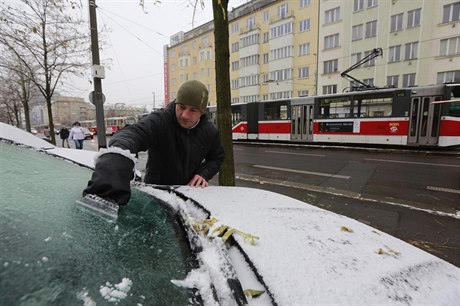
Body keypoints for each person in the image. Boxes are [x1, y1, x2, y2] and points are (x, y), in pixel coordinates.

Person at [83, 80, 225, 206]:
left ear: (202, 112)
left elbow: (216, 158)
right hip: (155, 193)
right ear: (176, 103)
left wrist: (203, 173)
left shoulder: (210, 131)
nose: (185, 115)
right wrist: (118, 155)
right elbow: (134, 134)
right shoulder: (160, 120)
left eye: (193, 110)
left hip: (188, 195)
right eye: (181, 106)